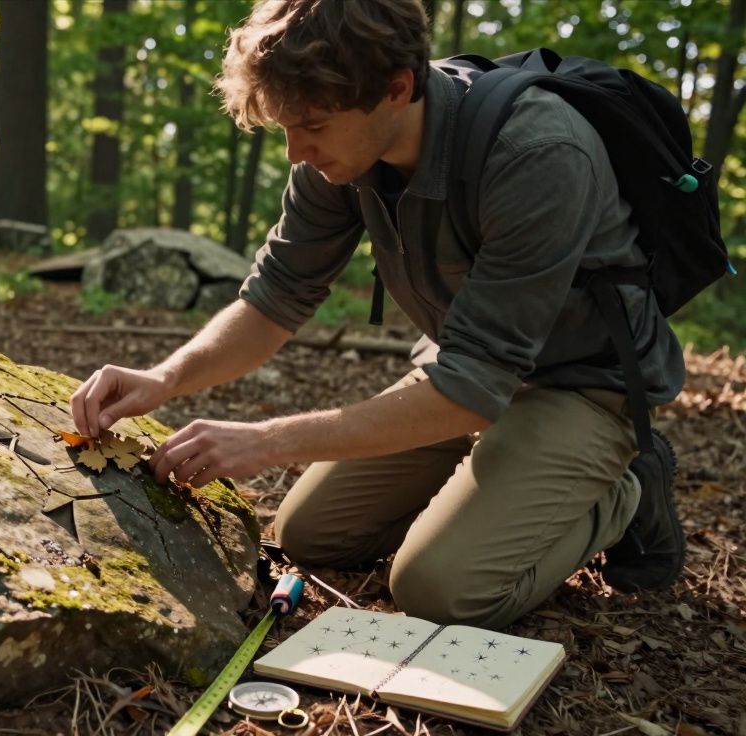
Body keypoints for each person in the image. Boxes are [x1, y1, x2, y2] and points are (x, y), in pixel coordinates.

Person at [69, 0, 686, 630]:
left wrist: (267, 441)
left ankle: (623, 493)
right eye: (285, 127)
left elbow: (472, 391)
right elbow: (274, 298)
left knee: (438, 589)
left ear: (398, 89)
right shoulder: (337, 150)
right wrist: (165, 378)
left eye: (309, 126)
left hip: (583, 384)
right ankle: (504, 475)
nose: (294, 152)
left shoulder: (537, 153)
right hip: (461, 372)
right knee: (310, 534)